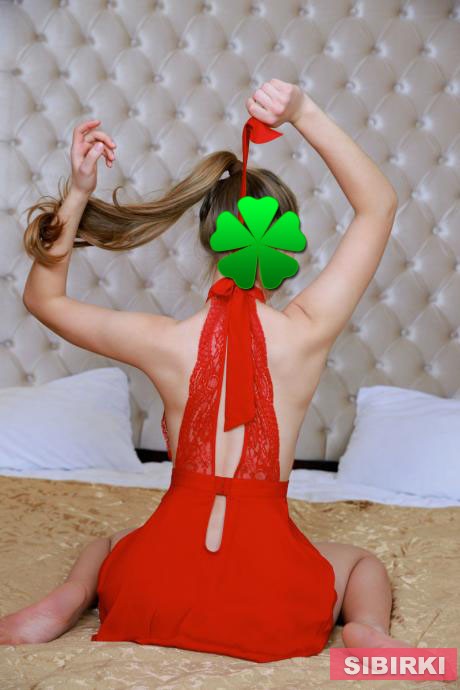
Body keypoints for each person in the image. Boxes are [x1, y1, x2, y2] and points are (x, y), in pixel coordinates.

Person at [0, 78, 410, 658]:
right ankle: (370, 632)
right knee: (360, 563)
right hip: (266, 604)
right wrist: (302, 111)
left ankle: (67, 599)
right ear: (284, 242)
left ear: (208, 239)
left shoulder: (165, 341)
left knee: (107, 545)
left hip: (157, 590)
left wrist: (80, 193)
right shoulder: (306, 332)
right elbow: (379, 205)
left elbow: (43, 300)